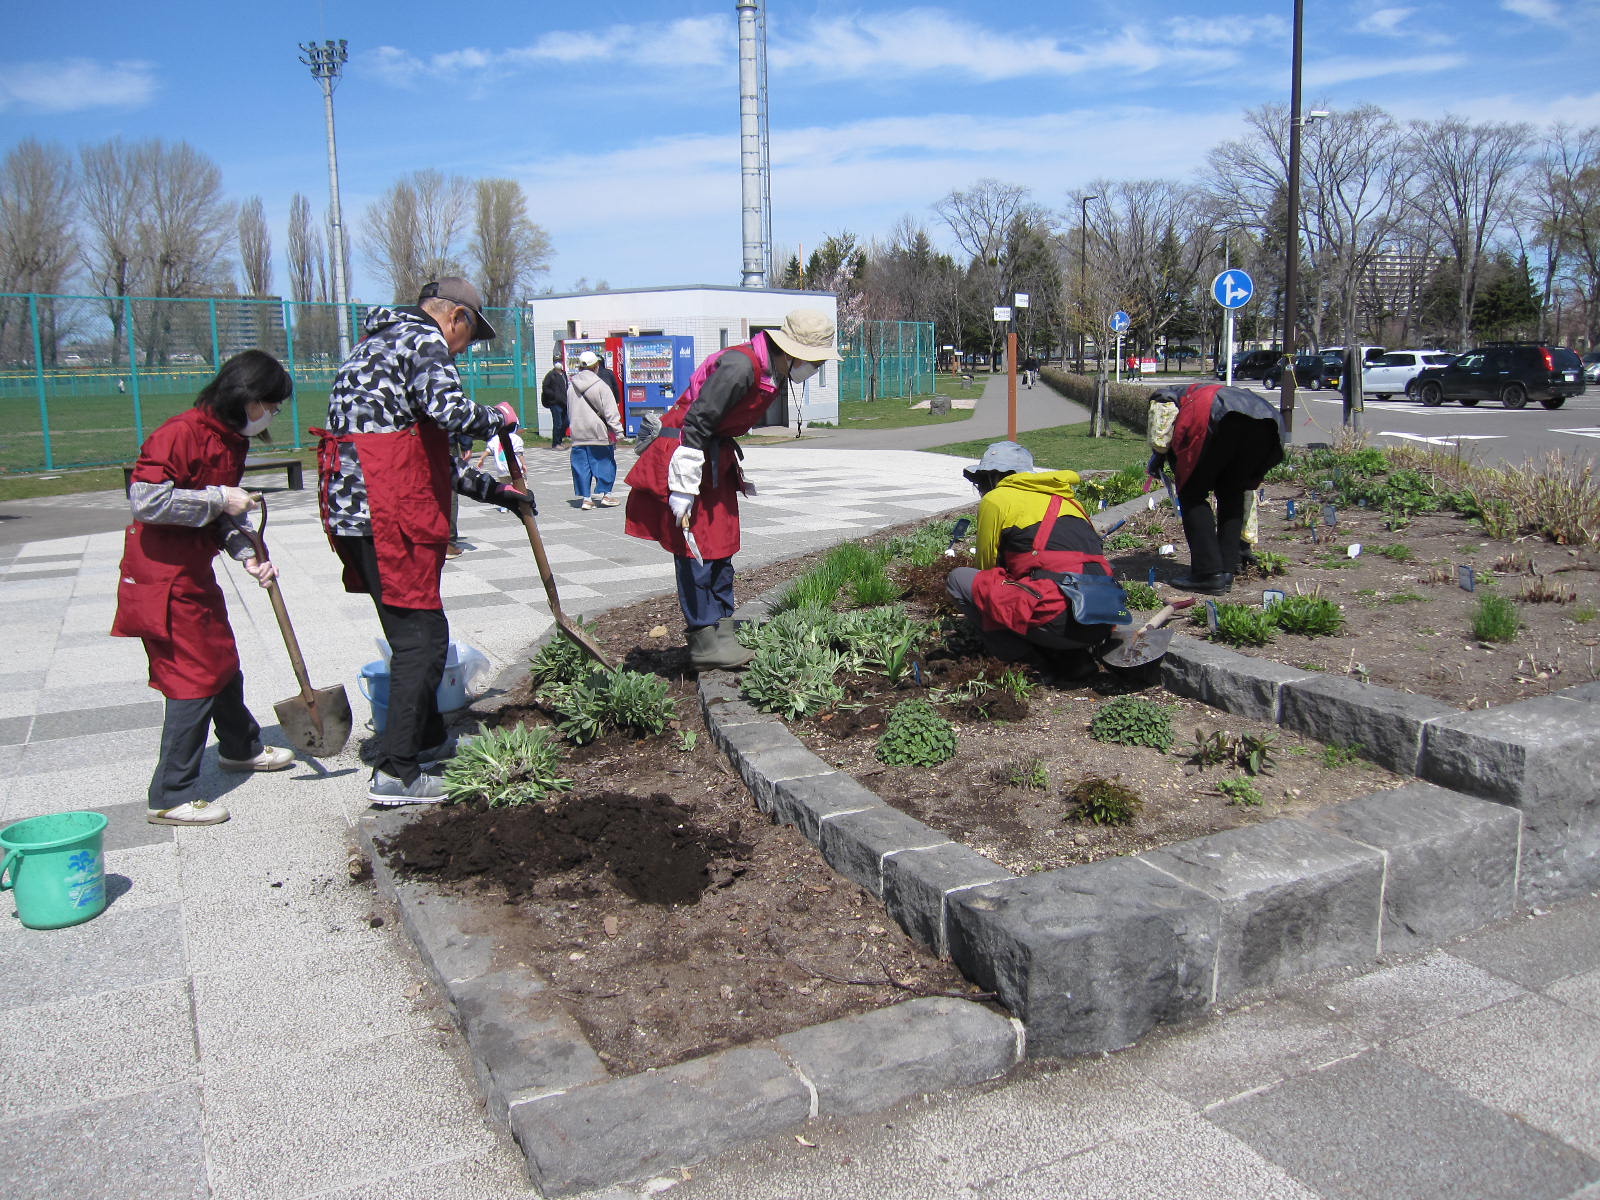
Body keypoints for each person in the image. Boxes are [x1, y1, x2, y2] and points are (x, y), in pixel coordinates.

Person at [317, 277, 532, 806]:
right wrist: (499, 417)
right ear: (456, 317)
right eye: (468, 338)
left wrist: (499, 493)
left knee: (412, 636)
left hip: (358, 511)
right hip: (386, 512)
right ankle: (397, 771)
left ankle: (426, 739)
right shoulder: (422, 341)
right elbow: (453, 414)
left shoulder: (378, 345)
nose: (462, 351)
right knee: (423, 640)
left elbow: (435, 458)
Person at [111, 351, 296, 827]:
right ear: (248, 396)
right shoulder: (180, 433)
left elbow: (220, 516)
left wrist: (247, 553)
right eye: (272, 405)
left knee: (221, 659)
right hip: (161, 578)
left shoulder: (230, 440)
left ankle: (240, 747)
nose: (273, 415)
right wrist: (219, 496)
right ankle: (170, 794)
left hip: (194, 571)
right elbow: (146, 500)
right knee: (191, 676)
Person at [624, 309, 841, 671]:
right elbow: (697, 422)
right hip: (687, 453)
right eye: (815, 361)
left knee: (721, 543)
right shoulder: (741, 367)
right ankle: (703, 640)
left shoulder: (771, 370)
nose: (815, 368)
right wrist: (683, 486)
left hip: (714, 459)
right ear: (792, 352)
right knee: (696, 550)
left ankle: (722, 627)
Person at [945, 441, 1123, 678]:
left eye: (981, 481)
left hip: (1055, 619)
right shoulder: (1071, 502)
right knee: (1049, 580)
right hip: (1103, 618)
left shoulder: (997, 498)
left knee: (960, 580)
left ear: (994, 476)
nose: (980, 488)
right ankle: (1073, 657)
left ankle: (1027, 662)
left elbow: (986, 568)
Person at [1145, 381, 1284, 595]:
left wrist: (1159, 455)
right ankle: (1227, 569)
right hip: (1266, 423)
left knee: (1192, 495)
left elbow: (1160, 436)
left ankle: (1208, 574)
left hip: (1216, 418)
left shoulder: (1164, 395)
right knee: (1233, 493)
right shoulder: (1202, 391)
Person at [567, 349, 624, 509]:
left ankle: (586, 498)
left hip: (578, 432)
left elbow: (569, 410)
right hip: (598, 432)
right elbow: (610, 411)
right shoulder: (601, 386)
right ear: (596, 366)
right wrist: (618, 431)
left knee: (581, 466)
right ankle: (607, 495)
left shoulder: (571, 386)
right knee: (605, 463)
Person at [540, 359, 568, 449]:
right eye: (556, 361)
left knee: (566, 422)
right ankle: (556, 443)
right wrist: (554, 395)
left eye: (560, 361)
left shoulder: (564, 374)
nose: (558, 363)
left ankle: (560, 440)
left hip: (564, 402)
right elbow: (545, 387)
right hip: (555, 403)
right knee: (558, 423)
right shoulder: (550, 375)